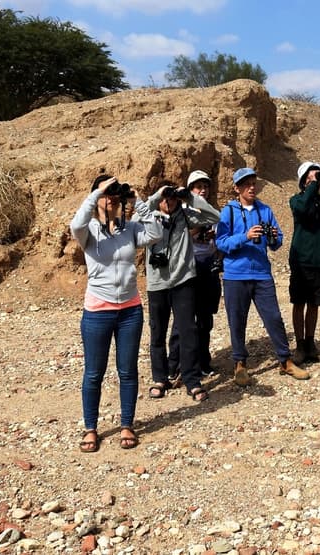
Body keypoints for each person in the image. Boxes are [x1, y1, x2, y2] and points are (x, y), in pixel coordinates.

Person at [70, 174, 164, 453]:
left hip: (130, 310)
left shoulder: (130, 228)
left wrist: (139, 203)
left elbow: (157, 233)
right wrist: (95, 193)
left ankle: (127, 424)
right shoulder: (87, 231)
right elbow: (75, 223)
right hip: (98, 310)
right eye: (106, 195)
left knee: (128, 371)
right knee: (93, 373)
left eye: (115, 195)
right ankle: (91, 428)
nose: (112, 199)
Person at [216, 167, 309, 386]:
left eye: (253, 183)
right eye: (246, 184)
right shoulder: (228, 212)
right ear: (237, 188)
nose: (251, 187)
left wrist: (275, 237)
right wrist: (245, 236)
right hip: (235, 275)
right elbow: (220, 243)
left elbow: (277, 243)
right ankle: (240, 364)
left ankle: (284, 360)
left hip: (261, 274)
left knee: (274, 318)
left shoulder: (265, 210)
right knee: (237, 321)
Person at [145, 179, 221, 402]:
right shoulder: (150, 217)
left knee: (188, 331)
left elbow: (215, 217)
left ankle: (192, 380)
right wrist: (156, 197)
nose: (168, 201)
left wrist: (189, 197)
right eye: (164, 197)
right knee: (157, 332)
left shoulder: (186, 216)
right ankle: (160, 378)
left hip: (183, 281)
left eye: (171, 196)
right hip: (157, 283)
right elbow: (135, 219)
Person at [167, 170, 222, 379]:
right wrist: (197, 230)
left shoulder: (211, 211)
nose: (203, 190)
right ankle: (174, 364)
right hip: (186, 267)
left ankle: (202, 361)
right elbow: (174, 238)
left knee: (205, 318)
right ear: (189, 190)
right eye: (198, 187)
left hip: (207, 265)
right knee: (183, 318)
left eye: (205, 186)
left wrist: (213, 237)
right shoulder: (179, 212)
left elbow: (218, 239)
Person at [289, 161, 320, 364]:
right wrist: (311, 185)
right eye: (310, 177)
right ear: (303, 182)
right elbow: (301, 208)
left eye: (316, 176)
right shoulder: (297, 200)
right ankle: (300, 344)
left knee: (314, 303)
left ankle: (310, 342)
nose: (315, 180)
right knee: (298, 302)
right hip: (302, 260)